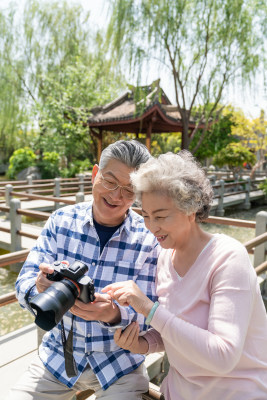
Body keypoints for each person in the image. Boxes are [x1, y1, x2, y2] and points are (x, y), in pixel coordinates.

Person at [103, 151, 267, 400]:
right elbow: (172, 331)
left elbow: (222, 356)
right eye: (145, 215)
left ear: (191, 210)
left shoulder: (228, 257)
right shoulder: (163, 258)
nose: (151, 226)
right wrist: (143, 344)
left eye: (160, 216)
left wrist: (149, 309)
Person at [9, 140, 160, 400]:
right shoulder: (60, 221)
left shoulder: (150, 238)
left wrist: (114, 314)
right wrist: (39, 287)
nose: (116, 195)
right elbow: (22, 284)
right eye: (110, 181)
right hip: (56, 357)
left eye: (129, 189)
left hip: (120, 364)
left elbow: (154, 311)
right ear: (94, 175)